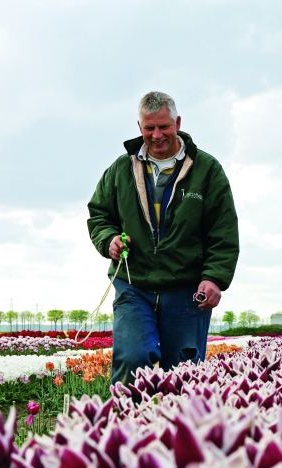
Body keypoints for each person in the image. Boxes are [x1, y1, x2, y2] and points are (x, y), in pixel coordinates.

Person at [87, 91, 239, 385]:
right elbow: (99, 215)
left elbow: (223, 229)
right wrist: (109, 241)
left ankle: (178, 430)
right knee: (131, 360)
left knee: (184, 374)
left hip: (186, 289)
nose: (157, 135)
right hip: (135, 284)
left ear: (177, 123)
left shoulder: (206, 170)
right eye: (149, 128)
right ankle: (125, 427)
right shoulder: (121, 169)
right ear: (139, 126)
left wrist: (214, 277)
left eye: (164, 127)